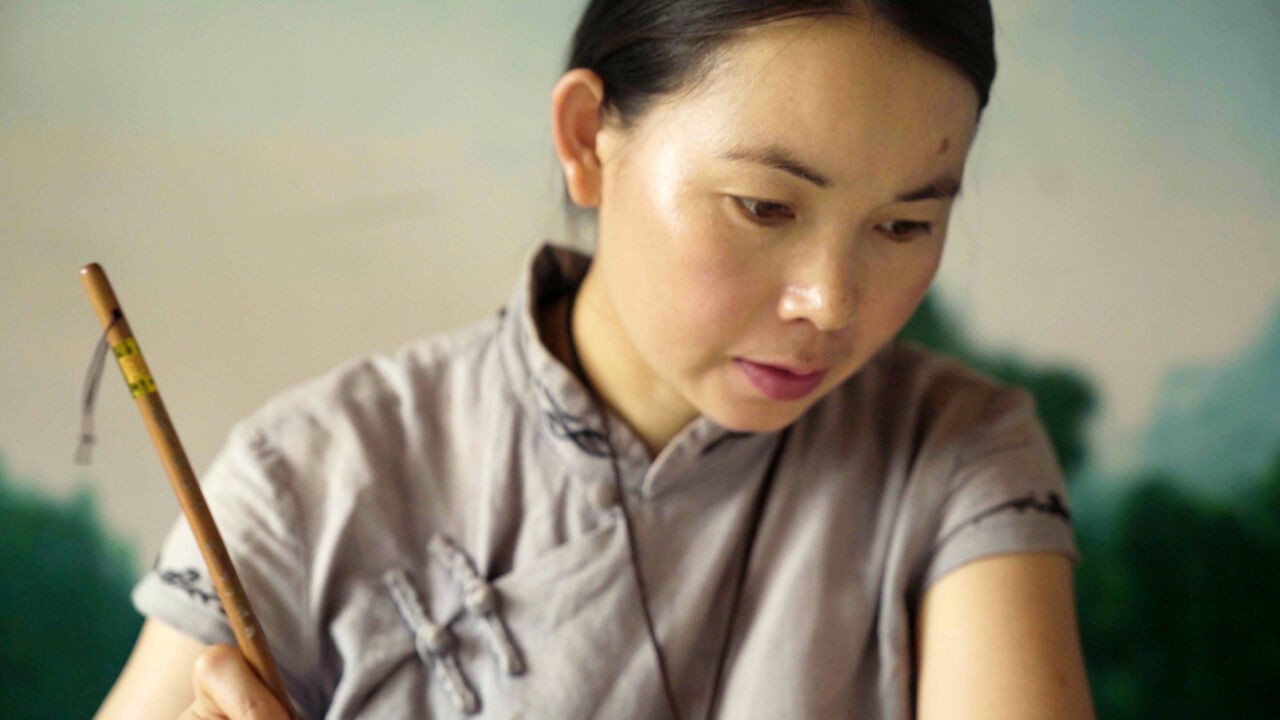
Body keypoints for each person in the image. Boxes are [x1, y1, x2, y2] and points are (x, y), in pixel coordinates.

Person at [96, 1, 1095, 718]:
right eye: (762, 206)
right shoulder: (307, 479)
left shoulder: (953, 450)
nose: (830, 304)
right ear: (586, 139)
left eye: (905, 223)